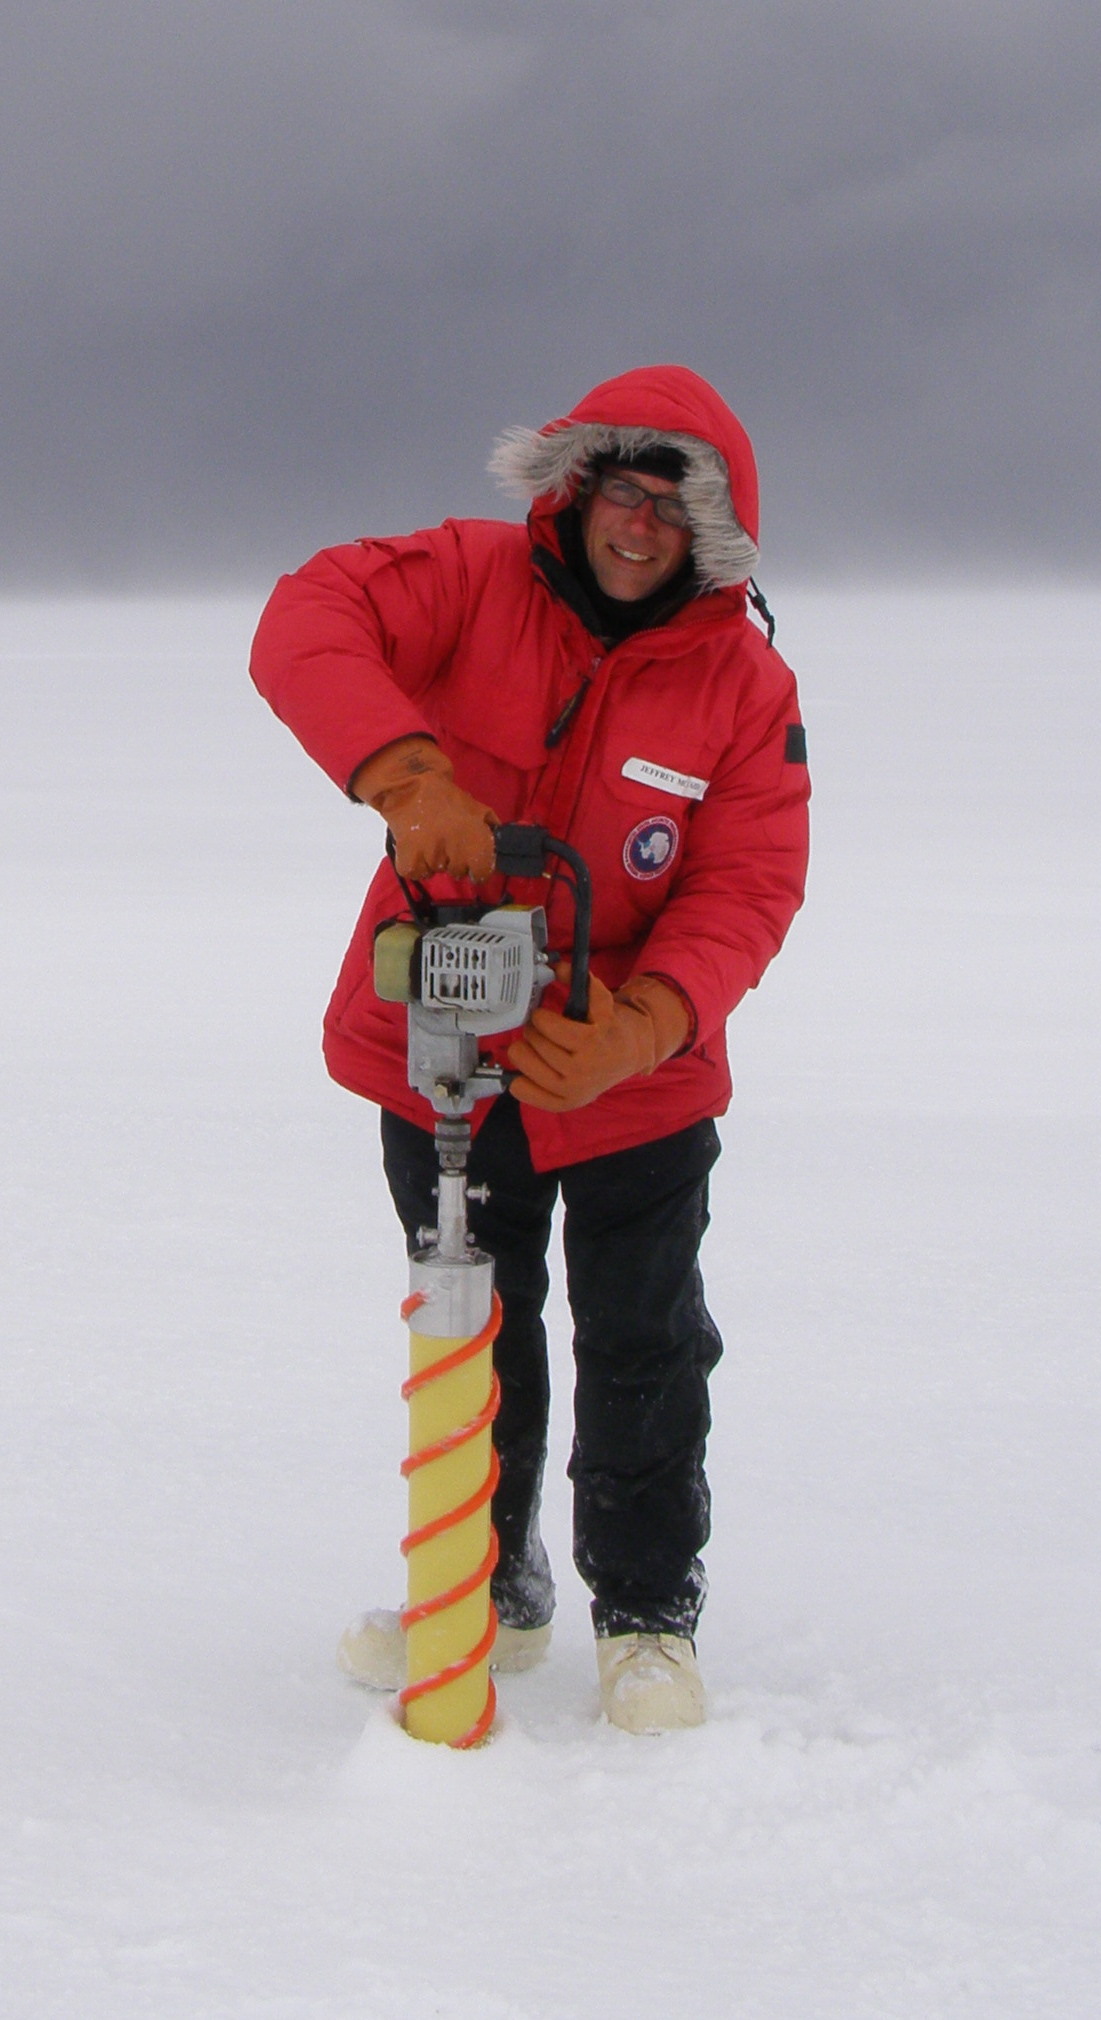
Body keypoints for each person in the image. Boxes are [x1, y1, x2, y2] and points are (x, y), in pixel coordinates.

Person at [250, 364, 810, 1733]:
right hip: (441, 1054)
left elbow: (747, 881)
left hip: (632, 1084)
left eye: (670, 508)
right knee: (471, 1326)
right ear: (577, 487)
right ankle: (482, 1593)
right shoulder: (465, 577)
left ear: (711, 530)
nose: (636, 526)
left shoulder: (743, 684)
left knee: (643, 1343)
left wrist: (644, 1025)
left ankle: (646, 1620)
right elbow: (304, 616)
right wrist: (404, 772)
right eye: (619, 490)